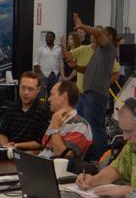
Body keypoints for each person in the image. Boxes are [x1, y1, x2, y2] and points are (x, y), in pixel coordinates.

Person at [70, 12, 117, 155]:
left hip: (96, 94)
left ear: (109, 37)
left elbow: (97, 32)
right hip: (86, 93)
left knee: (94, 126)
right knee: (85, 126)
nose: (97, 36)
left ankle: (101, 158)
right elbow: (86, 69)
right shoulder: (98, 52)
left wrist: (81, 25)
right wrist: (74, 66)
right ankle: (90, 156)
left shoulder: (108, 49)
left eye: (102, 33)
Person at [41, 79, 94, 161]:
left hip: (61, 172)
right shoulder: (56, 118)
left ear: (64, 96)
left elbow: (63, 158)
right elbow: (45, 149)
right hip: (42, 165)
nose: (49, 99)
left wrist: (55, 128)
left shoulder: (80, 125)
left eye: (52, 95)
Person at [33, 30, 63, 96]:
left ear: (54, 38)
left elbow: (61, 62)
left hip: (55, 75)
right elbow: (36, 63)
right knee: (42, 94)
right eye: (47, 37)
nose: (47, 38)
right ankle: (42, 106)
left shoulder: (59, 49)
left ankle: (51, 106)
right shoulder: (41, 49)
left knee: (53, 94)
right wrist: (40, 74)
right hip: (44, 74)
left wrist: (61, 74)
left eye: (50, 37)